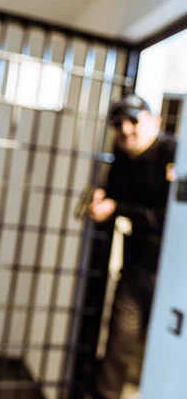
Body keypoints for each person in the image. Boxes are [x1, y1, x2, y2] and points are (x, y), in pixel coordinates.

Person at [90, 95, 176, 399]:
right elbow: (112, 193)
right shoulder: (122, 157)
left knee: (170, 350)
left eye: (133, 120)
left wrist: (118, 208)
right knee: (118, 346)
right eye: (118, 123)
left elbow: (172, 218)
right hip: (137, 265)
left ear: (154, 121)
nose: (125, 129)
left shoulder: (175, 153)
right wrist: (102, 198)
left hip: (175, 272)